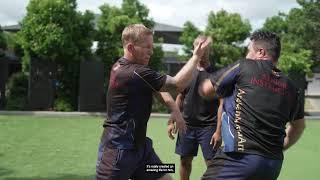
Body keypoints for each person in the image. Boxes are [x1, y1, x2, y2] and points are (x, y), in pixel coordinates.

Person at [95, 24, 211, 180]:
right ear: (131, 47)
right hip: (118, 151)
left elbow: (157, 89)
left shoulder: (130, 69)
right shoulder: (134, 72)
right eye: (147, 47)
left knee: (165, 178)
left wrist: (175, 110)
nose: (152, 51)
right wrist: (196, 57)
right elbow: (177, 84)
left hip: (142, 150)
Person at [199, 30, 305, 180]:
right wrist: (280, 148)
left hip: (239, 159)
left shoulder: (244, 66)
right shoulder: (292, 87)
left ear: (260, 52)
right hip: (273, 165)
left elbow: (205, 90)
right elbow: (299, 126)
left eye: (249, 51)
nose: (247, 56)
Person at [167, 35, 223, 180]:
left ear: (209, 49)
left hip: (209, 127)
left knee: (212, 164)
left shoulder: (218, 73)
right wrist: (172, 120)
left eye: (204, 48)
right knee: (185, 161)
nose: (201, 51)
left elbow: (222, 104)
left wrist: (218, 131)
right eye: (198, 47)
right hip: (187, 125)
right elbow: (180, 97)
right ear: (194, 49)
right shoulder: (187, 72)